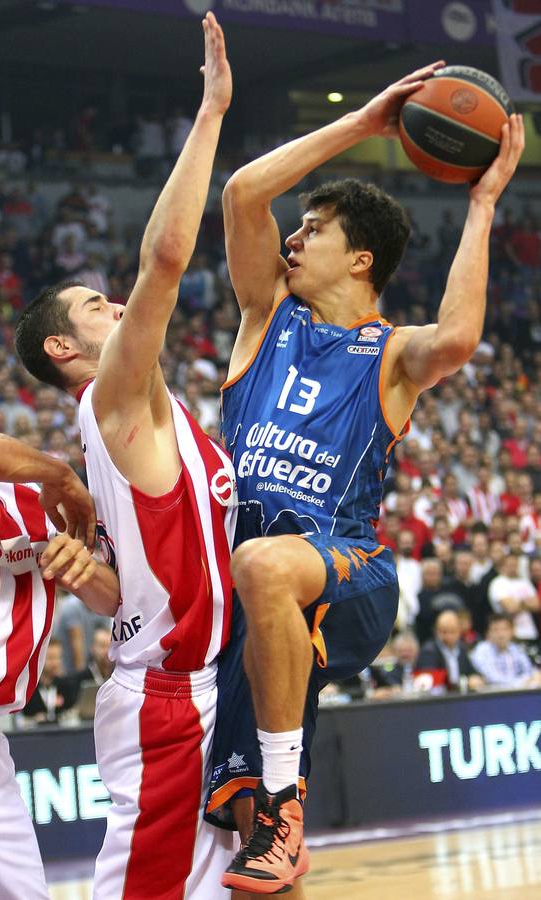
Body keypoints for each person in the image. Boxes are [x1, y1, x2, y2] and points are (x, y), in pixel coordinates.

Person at [206, 61, 524, 895]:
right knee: (256, 864)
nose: (293, 239)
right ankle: (272, 815)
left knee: (266, 563)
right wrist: (365, 122)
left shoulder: (390, 353)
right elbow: (242, 192)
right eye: (298, 226)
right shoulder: (264, 320)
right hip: (256, 614)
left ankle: (281, 798)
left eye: (314, 229)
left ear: (362, 260)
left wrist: (483, 202)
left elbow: (457, 336)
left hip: (348, 570)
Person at [15, 14, 238, 900]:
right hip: (170, 699)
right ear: (66, 352)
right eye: (97, 306)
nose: (118, 308)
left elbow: (128, 590)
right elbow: (169, 255)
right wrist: (214, 110)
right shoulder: (111, 400)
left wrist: (94, 576)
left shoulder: (148, 417)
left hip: (210, 681)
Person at [0, 430, 119, 900]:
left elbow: (110, 600)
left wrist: (80, 563)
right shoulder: (49, 477)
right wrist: (62, 472)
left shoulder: (36, 498)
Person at [415, 609, 484, 692]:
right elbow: (430, 681)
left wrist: (476, 678)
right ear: (436, 631)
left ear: (459, 631)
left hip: (460, 698)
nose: (448, 637)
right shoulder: (429, 651)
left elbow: (473, 672)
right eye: (444, 632)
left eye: (452, 632)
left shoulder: (461, 649)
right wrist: (465, 682)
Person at [471, 613, 541, 688]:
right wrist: (524, 682)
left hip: (519, 691)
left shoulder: (516, 648)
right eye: (496, 630)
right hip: (495, 695)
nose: (501, 634)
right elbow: (493, 679)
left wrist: (534, 677)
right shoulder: (482, 650)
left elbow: (529, 670)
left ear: (512, 631)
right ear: (488, 633)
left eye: (505, 629)